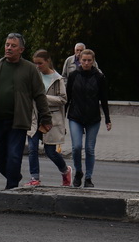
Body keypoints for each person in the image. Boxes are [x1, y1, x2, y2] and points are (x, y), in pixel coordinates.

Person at [0, 33, 52, 190]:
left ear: (21, 50)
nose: (9, 48)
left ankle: (11, 187)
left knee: (14, 156)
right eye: (7, 44)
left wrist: (46, 117)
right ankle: (14, 176)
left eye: (13, 46)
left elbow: (39, 95)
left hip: (18, 120)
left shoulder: (30, 69)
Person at [65, 49, 111, 188]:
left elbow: (103, 99)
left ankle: (89, 178)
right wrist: (61, 118)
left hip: (93, 118)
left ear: (93, 61)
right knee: (77, 147)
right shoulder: (73, 76)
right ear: (79, 60)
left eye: (89, 60)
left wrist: (108, 119)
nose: (86, 63)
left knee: (90, 149)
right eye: (83, 60)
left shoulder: (99, 77)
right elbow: (67, 98)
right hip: (75, 116)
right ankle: (78, 172)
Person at [26, 50, 72, 187]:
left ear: (48, 61)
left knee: (50, 152)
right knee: (32, 148)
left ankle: (65, 170)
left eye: (40, 63)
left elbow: (63, 99)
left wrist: (43, 98)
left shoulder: (57, 79)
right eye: (35, 64)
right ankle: (35, 178)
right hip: (34, 118)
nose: (37, 66)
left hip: (50, 119)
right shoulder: (34, 76)